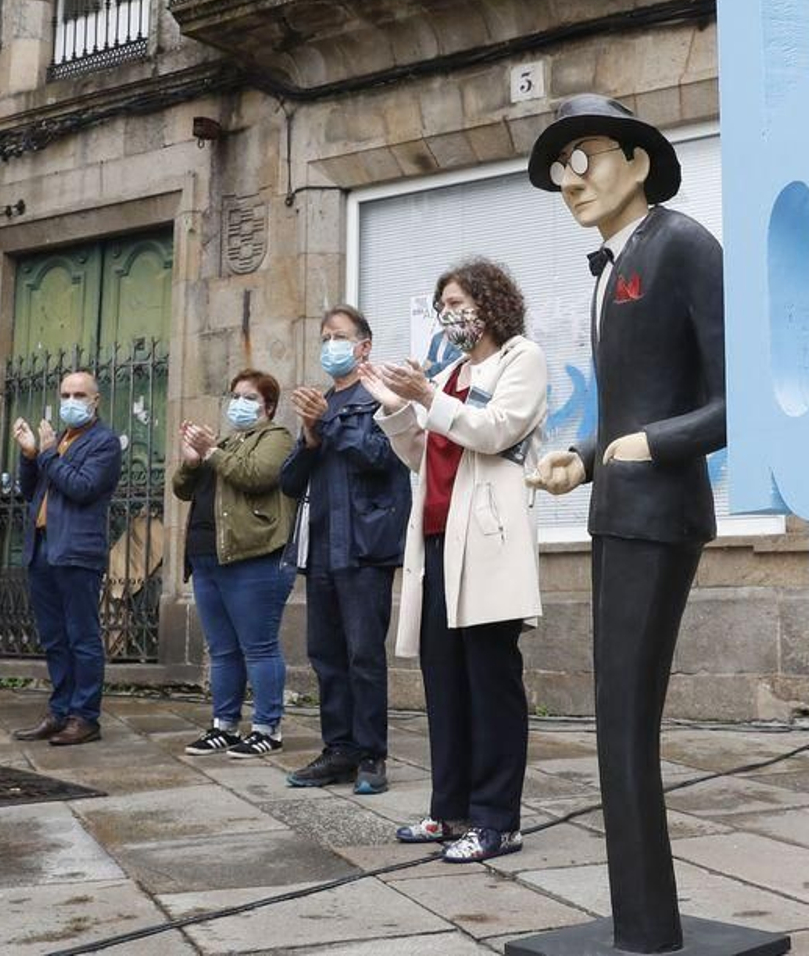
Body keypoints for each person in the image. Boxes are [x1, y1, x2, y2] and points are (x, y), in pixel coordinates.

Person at [521, 95, 729, 954]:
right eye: (560, 171)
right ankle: (640, 917)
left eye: (588, 158)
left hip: (661, 516)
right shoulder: (612, 266)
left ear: (639, 161)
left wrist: (652, 444)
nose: (573, 182)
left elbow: (733, 400)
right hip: (618, 509)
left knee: (626, 721)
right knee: (613, 720)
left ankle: (648, 924)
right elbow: (636, 405)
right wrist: (586, 452)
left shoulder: (682, 245)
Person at [367, 258, 547, 863]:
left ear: (491, 304)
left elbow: (497, 431)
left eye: (460, 301)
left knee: (491, 681)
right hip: (439, 539)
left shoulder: (521, 359)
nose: (450, 314)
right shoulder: (446, 374)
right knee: (444, 682)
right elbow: (421, 456)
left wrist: (427, 397)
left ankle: (498, 820)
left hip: (489, 542)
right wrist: (395, 407)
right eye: (444, 304)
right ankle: (451, 811)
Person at [279, 305, 411, 793]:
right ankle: (339, 749)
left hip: (364, 548)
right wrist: (311, 434)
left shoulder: (381, 396)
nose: (329, 345)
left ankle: (372, 755)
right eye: (324, 337)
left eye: (339, 336)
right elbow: (290, 480)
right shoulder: (320, 405)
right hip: (321, 551)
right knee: (326, 656)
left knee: (363, 657)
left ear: (364, 346)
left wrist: (328, 425)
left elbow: (379, 455)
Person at [172, 370, 296, 759]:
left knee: (258, 647)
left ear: (269, 406)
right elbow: (181, 488)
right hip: (208, 558)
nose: (238, 403)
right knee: (222, 649)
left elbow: (257, 475)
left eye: (249, 398)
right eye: (235, 396)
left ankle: (267, 728)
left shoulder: (276, 438)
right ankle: (223, 726)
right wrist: (193, 461)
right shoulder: (222, 443)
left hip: (254, 557)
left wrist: (211, 452)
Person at [10, 370, 122, 747]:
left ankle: (84, 716)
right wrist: (29, 457)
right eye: (65, 394)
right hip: (42, 548)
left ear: (96, 401)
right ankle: (59, 711)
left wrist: (44, 455)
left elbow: (82, 487)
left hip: (76, 551)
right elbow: (31, 492)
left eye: (79, 394)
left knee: (82, 637)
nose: (71, 401)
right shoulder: (56, 440)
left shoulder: (104, 443)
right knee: (54, 638)